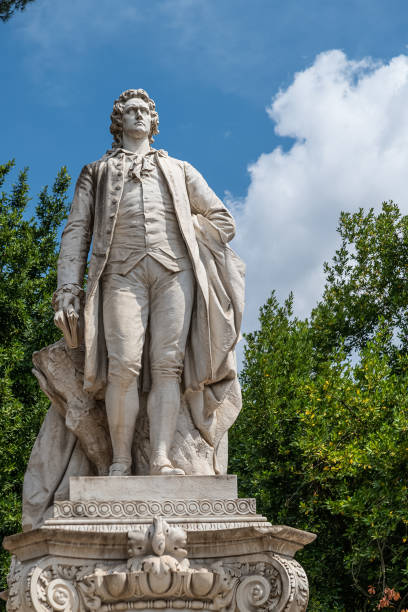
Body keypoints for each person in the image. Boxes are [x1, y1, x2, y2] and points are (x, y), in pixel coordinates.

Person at [53, 88, 243, 478]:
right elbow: (76, 233)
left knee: (167, 367)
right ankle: (120, 462)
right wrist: (68, 289)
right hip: (120, 273)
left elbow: (223, 221)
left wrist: (187, 228)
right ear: (118, 121)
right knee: (123, 366)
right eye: (131, 111)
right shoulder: (96, 172)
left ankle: (161, 458)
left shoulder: (179, 169)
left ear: (153, 123)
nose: (139, 115)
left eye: (145, 111)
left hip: (175, 272)